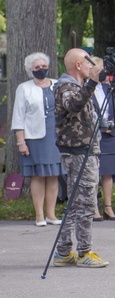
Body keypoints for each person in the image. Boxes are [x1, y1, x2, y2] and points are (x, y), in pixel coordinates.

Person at [52, 48, 109, 268]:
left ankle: (64, 252)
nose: (91, 66)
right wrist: (92, 83)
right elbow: (73, 104)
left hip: (85, 150)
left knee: (76, 205)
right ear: (78, 65)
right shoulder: (65, 86)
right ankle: (84, 252)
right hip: (78, 153)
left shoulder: (77, 86)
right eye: (88, 63)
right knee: (85, 204)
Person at [11, 52, 62, 227]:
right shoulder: (24, 88)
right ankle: (39, 215)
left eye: (44, 66)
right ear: (30, 70)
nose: (41, 69)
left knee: (54, 175)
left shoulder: (57, 84)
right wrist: (20, 141)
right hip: (34, 137)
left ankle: (51, 214)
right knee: (38, 176)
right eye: (37, 67)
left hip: (56, 136)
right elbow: (18, 116)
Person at [91, 71, 115, 221]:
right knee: (94, 172)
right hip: (94, 135)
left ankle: (108, 207)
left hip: (108, 135)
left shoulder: (108, 88)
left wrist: (112, 124)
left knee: (107, 172)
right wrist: (99, 126)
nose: (102, 74)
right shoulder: (86, 89)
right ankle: (93, 207)